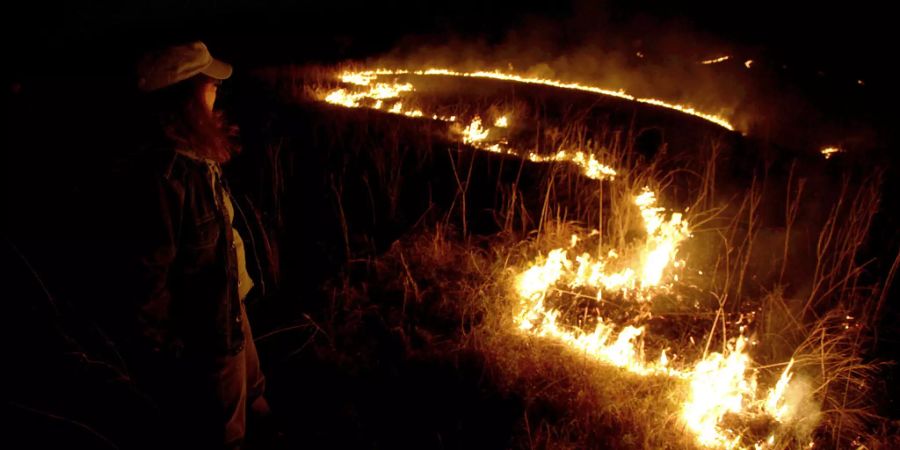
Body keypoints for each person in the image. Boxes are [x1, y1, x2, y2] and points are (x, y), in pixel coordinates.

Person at [111, 40, 277, 450]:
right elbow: (148, 277)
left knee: (253, 389)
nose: (216, 88)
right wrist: (167, 346)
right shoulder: (165, 177)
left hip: (230, 305)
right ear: (185, 97)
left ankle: (266, 424)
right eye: (208, 82)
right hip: (207, 330)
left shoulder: (198, 156)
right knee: (223, 430)